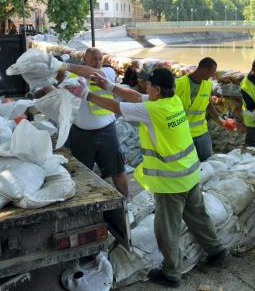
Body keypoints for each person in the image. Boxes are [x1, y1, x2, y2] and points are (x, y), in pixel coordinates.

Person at [67, 68, 226, 288]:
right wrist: (110, 87)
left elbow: (117, 107)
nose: (145, 88)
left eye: (148, 85)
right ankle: (216, 250)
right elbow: (134, 96)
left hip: (171, 183)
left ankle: (171, 274)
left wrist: (87, 95)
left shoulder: (152, 110)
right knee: (198, 216)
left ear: (157, 89)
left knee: (165, 230)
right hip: (190, 173)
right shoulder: (173, 102)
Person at [51, 48, 129, 198]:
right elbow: (57, 82)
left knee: (117, 171)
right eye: (94, 59)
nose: (98, 62)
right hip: (81, 134)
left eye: (100, 59)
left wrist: (66, 66)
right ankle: (88, 202)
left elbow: (92, 74)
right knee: (82, 173)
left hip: (107, 131)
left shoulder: (108, 72)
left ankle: (126, 203)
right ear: (85, 59)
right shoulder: (73, 75)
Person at [175, 57, 228, 161]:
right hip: (183, 133)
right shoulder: (179, 84)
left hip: (202, 132)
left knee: (208, 160)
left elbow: (208, 103)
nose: (213, 76)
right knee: (188, 161)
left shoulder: (207, 84)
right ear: (203, 70)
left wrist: (219, 119)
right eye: (212, 72)